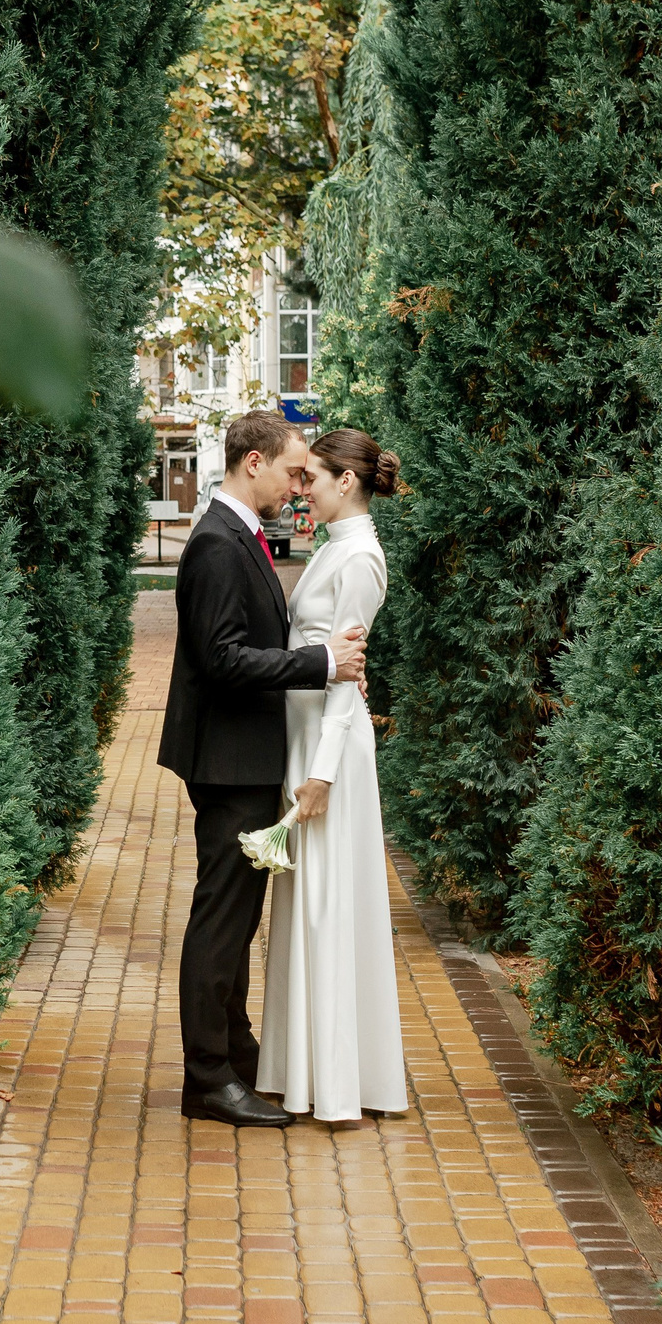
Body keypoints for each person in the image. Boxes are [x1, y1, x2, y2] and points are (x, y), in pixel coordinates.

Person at [159, 412, 367, 1128]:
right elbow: (221, 659)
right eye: (290, 469)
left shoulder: (235, 535)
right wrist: (321, 661)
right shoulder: (219, 544)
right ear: (254, 463)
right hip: (228, 758)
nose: (296, 482)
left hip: (240, 753)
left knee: (235, 915)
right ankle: (208, 1078)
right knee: (222, 917)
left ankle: (236, 1054)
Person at [255, 427, 409, 1123]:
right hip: (306, 734)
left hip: (329, 751)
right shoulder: (335, 548)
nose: (302, 489)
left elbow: (346, 684)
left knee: (329, 905)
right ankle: (302, 1069)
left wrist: (319, 775)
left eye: (311, 477)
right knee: (307, 907)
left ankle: (339, 1081)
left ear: (346, 481)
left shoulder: (362, 558)